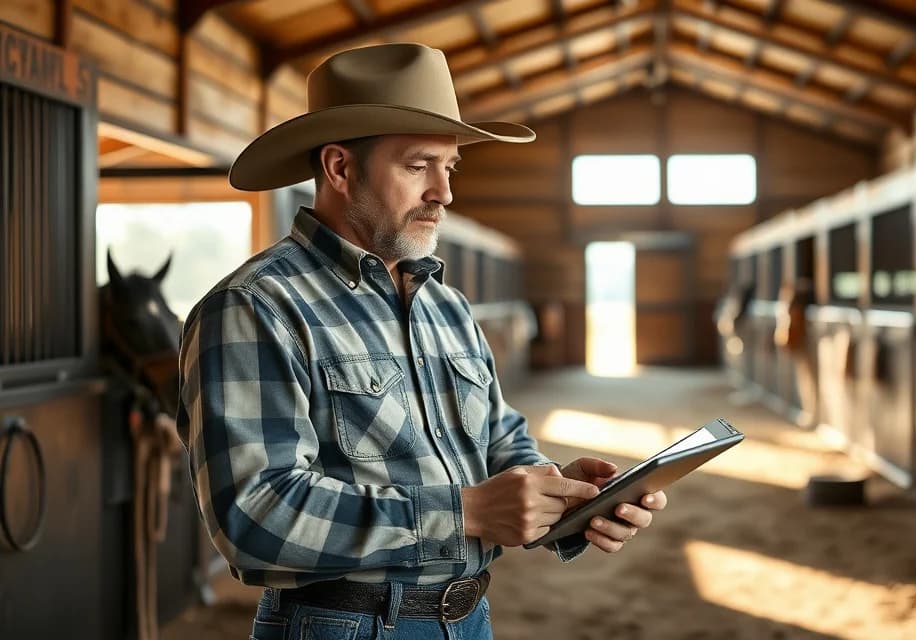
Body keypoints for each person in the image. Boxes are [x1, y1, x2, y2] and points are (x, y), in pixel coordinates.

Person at [176, 43, 667, 640]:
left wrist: (565, 497)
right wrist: (465, 512)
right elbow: (254, 514)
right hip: (341, 625)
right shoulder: (256, 307)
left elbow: (498, 443)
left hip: (468, 619)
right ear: (339, 168)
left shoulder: (447, 306)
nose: (444, 192)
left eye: (449, 167)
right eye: (418, 166)